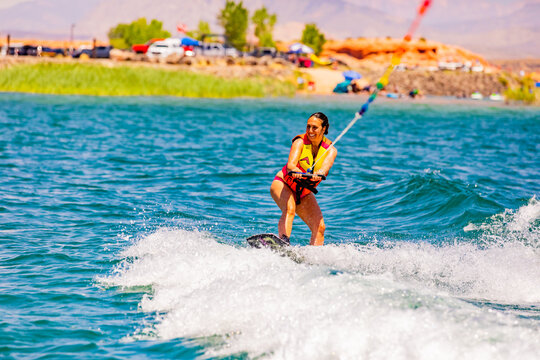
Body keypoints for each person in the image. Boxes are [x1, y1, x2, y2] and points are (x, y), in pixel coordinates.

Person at [270, 112, 338, 246]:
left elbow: (324, 169)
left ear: (324, 129)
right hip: (283, 183)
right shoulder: (300, 142)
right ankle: (283, 244)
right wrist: (295, 171)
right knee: (290, 209)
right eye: (308, 127)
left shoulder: (330, 150)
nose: (310, 131)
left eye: (315, 128)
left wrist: (318, 174)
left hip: (304, 192)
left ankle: (314, 256)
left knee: (319, 227)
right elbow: (290, 165)